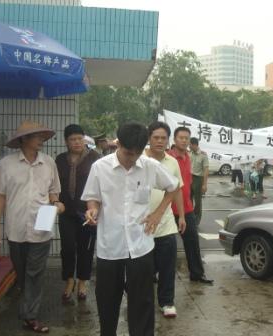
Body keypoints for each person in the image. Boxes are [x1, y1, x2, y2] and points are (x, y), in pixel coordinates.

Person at [81, 122, 179, 336]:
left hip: (140, 243)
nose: (131, 158)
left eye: (136, 154)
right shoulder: (100, 167)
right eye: (127, 153)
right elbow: (92, 198)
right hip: (110, 245)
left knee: (142, 301)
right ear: (119, 144)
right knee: (107, 300)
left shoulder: (149, 166)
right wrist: (92, 210)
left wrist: (157, 213)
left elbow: (173, 187)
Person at [0, 120, 64, 333]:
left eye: (42, 136)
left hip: (41, 229)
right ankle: (28, 306)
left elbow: (54, 192)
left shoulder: (49, 163)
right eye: (36, 136)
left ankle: (30, 316)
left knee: (34, 273)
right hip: (16, 229)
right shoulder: (6, 164)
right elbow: (0, 197)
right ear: (23, 139)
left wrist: (56, 204)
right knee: (22, 273)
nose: (40, 139)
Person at [144, 121, 186, 318]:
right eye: (156, 137)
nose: (160, 141)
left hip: (167, 222)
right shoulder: (139, 159)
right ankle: (141, 301)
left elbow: (176, 189)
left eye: (163, 138)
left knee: (168, 265)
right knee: (144, 268)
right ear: (149, 139)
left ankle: (167, 302)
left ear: (168, 140)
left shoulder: (172, 162)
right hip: (142, 224)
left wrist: (182, 216)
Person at [55, 124, 101, 303]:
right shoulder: (59, 160)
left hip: (87, 214)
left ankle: (82, 282)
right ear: (66, 142)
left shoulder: (95, 158)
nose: (77, 142)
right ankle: (69, 281)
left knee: (86, 248)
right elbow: (54, 184)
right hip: (66, 212)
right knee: (67, 248)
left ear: (84, 139)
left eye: (79, 139)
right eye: (72, 139)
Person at [168, 127, 214, 285]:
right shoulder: (167, 157)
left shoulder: (188, 156)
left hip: (186, 208)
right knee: (163, 245)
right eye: (181, 137)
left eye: (186, 138)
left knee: (192, 242)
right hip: (167, 208)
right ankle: (154, 274)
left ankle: (196, 273)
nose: (184, 140)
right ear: (174, 139)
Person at [189, 137, 209, 226]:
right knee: (188, 199)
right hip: (190, 178)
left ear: (194, 145)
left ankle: (196, 220)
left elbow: (206, 170)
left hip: (198, 179)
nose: (188, 146)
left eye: (190, 144)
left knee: (197, 202)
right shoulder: (189, 154)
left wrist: (204, 184)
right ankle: (189, 217)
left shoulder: (203, 155)